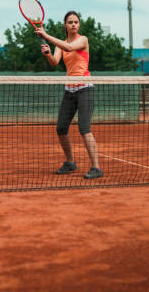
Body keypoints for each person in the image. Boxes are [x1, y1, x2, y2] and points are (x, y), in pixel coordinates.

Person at [35, 11, 103, 179]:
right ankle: (70, 162)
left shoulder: (83, 40)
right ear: (65, 25)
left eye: (76, 22)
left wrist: (46, 35)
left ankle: (96, 168)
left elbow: (70, 48)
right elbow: (55, 62)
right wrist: (48, 54)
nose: (74, 24)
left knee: (84, 128)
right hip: (69, 89)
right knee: (61, 128)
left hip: (85, 88)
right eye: (70, 22)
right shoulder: (60, 44)